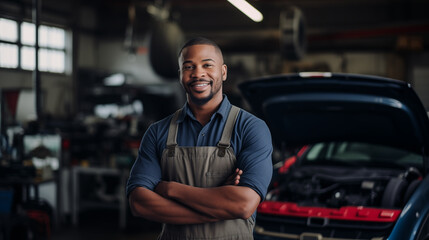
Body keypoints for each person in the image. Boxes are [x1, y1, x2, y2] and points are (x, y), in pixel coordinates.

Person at [126, 37, 273, 239]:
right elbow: (139, 203)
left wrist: (170, 188)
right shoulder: (157, 132)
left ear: (223, 72)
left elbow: (243, 204)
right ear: (180, 75)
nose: (198, 73)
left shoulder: (250, 128)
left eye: (207, 65)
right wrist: (219, 209)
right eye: (189, 67)